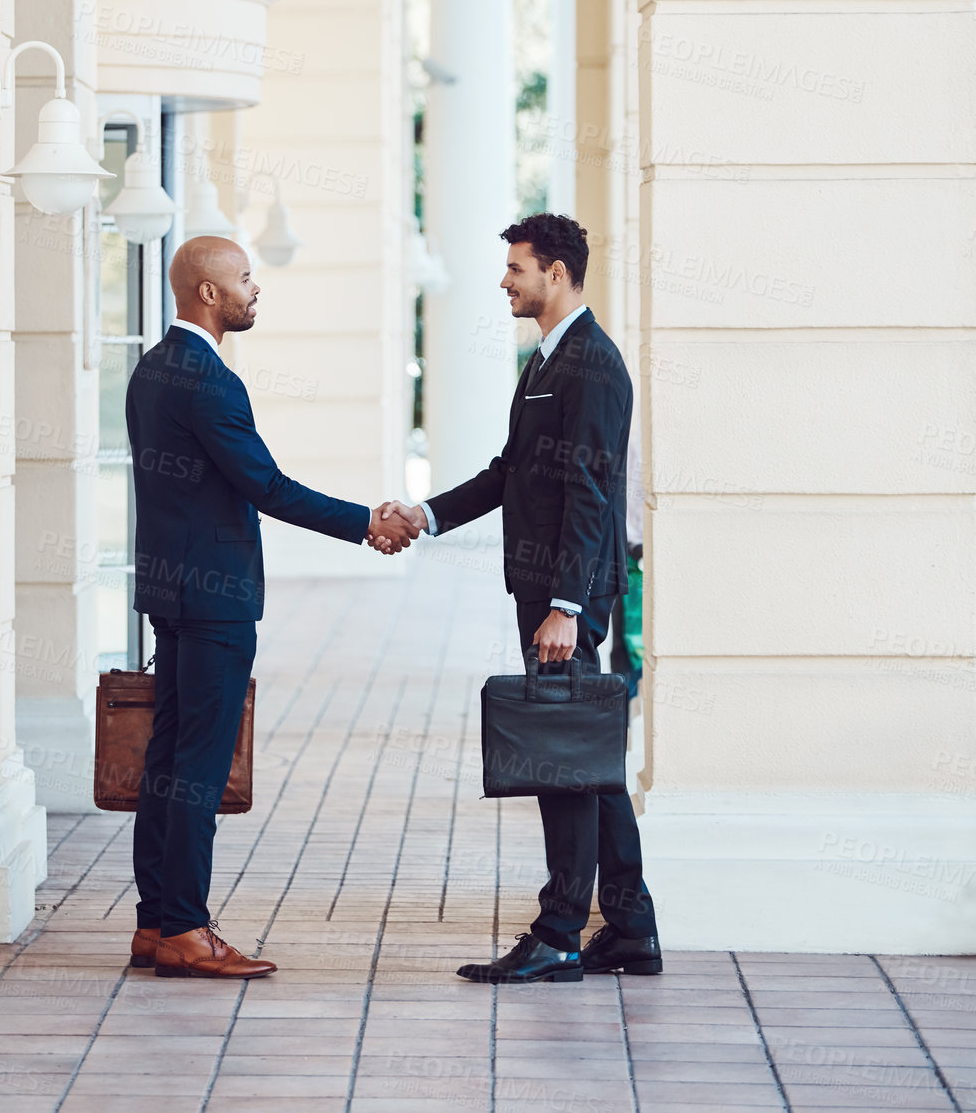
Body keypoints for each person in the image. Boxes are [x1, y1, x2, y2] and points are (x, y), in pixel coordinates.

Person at [385, 213, 661, 983]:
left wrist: (567, 607)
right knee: (586, 753)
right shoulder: (548, 360)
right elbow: (511, 470)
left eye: (517, 267)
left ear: (559, 273)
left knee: (563, 757)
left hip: (566, 596)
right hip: (547, 590)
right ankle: (631, 928)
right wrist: (427, 513)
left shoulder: (592, 366)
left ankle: (560, 933)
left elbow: (588, 492)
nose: (505, 280)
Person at [125, 235, 409, 980]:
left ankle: (155, 922)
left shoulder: (151, 368)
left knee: (167, 756)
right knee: (199, 765)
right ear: (209, 293)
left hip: (168, 591)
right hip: (213, 597)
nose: (257, 290)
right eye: (246, 279)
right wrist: (365, 522)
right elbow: (267, 485)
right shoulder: (210, 381)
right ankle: (186, 928)